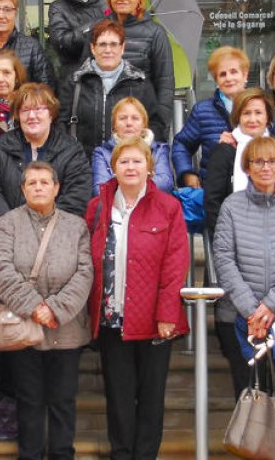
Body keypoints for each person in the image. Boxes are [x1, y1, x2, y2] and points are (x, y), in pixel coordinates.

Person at [85, 138, 190, 460]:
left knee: (151, 397)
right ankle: (121, 454)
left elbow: (176, 264)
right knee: (118, 396)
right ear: (113, 167)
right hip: (112, 317)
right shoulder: (98, 206)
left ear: (149, 167)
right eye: (124, 162)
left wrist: (167, 313)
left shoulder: (168, 207)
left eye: (137, 161)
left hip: (156, 321)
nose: (130, 167)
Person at [211, 136, 275, 460]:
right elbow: (224, 259)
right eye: (258, 162)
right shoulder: (231, 206)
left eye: (272, 161)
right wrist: (252, 309)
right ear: (247, 167)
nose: (266, 167)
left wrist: (270, 305)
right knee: (249, 392)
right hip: (240, 319)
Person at [0, 161, 93, 460]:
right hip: (24, 328)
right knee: (29, 401)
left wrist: (56, 309)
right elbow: (1, 270)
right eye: (31, 183)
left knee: (63, 401)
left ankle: (63, 455)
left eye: (44, 182)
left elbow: (85, 272)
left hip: (67, 327)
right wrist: (35, 307)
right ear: (22, 189)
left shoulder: (76, 226)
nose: (38, 187)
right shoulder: (8, 223)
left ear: (56, 188)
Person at [0, 83, 92, 224]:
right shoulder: (1, 147)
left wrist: (46, 226)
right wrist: (11, 225)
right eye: (25, 110)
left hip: (57, 233)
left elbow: (77, 195)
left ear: (51, 114)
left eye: (38, 109)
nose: (32, 116)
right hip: (10, 231)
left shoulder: (71, 150)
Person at [173, 47, 275, 188]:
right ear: (216, 79)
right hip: (215, 192)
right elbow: (181, 145)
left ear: (245, 75)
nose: (228, 78)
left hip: (260, 189)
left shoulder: (265, 107)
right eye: (222, 74)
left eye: (234, 72)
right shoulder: (202, 111)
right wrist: (187, 173)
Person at [66, 19, 160, 157]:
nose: (108, 50)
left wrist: (142, 147)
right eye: (102, 44)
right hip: (83, 165)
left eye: (113, 44)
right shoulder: (75, 81)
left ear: (122, 48)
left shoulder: (140, 83)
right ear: (93, 48)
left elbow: (154, 123)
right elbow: (62, 124)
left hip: (128, 164)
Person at [105, 0, 174, 140]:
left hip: (141, 125)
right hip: (106, 123)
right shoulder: (101, 30)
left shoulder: (155, 33)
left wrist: (157, 131)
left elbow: (164, 84)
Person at [203, 88, 275, 237]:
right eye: (246, 113)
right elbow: (212, 205)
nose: (252, 119)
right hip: (234, 239)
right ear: (238, 117)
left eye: (258, 113)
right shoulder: (224, 152)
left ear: (268, 118)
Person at [46, 0, 106, 92]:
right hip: (72, 86)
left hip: (105, 83)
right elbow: (62, 44)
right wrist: (95, 25)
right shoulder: (57, 8)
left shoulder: (108, 3)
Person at [91, 96, 175, 195]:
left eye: (135, 118)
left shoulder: (159, 150)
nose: (129, 123)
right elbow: (100, 190)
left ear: (144, 124)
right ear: (114, 125)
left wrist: (123, 184)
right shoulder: (101, 153)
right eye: (122, 118)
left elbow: (165, 184)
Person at [0, 0, 54, 88]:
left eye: (7, 9)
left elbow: (46, 89)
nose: (1, 16)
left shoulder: (31, 47)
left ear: (16, 12)